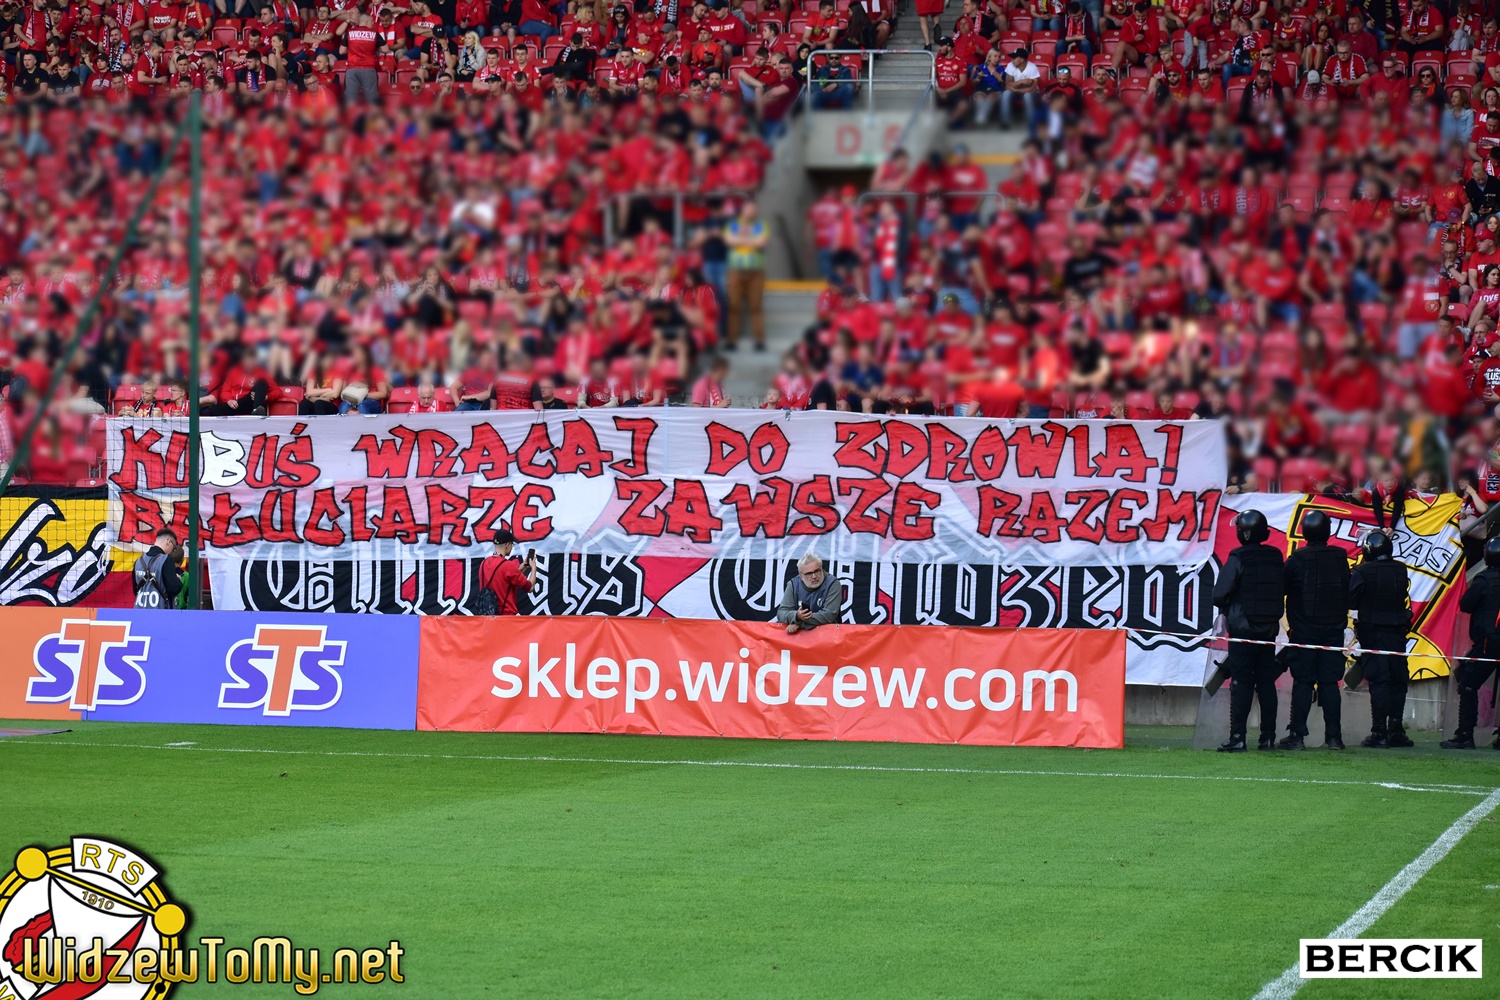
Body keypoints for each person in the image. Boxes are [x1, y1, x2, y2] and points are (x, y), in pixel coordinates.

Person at [1212, 509, 1285, 752]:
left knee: (1241, 682)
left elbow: (1219, 594)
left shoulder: (1238, 557)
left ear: (1243, 533)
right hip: (1268, 631)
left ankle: (1238, 737)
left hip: (1243, 631)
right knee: (1266, 682)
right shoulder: (1275, 556)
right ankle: (1268, 737)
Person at [1277, 510, 1350, 750]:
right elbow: (1348, 590)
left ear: (1305, 531)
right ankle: (1334, 738)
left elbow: (1281, 589)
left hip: (1304, 632)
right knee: (1329, 683)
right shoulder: (1340, 557)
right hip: (1333, 631)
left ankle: (1297, 736)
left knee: (1303, 682)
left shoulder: (1297, 559)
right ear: (1327, 531)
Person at [1349, 531, 1414, 748]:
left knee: (1379, 680)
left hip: (1373, 633)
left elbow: (1351, 600)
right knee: (1398, 679)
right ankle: (1396, 729)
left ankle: (1379, 731)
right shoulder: (1400, 569)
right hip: (1396, 633)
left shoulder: (1362, 572)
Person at [1443, 535, 1500, 750]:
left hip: (1488, 642)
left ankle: (1465, 734)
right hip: (1490, 641)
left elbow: (1466, 604)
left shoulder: (1484, 580)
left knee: (1467, 684)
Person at [776, 554, 845, 635]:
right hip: (798, 637)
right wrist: (797, 616)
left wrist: (799, 623)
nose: (814, 576)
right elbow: (781, 613)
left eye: (817, 571)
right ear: (801, 576)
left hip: (827, 636)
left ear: (821, 568)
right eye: (809, 574)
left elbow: (829, 615)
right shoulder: (793, 584)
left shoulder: (833, 584)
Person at [475, 528, 538, 616]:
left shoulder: (483, 563)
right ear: (507, 545)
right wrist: (534, 567)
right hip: (506, 618)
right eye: (512, 545)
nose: (512, 547)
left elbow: (503, 578)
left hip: (487, 617)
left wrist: (522, 567)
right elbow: (530, 587)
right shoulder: (508, 566)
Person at [133, 528, 184, 610]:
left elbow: (135, 590)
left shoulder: (138, 561)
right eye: (174, 548)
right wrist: (177, 580)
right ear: (168, 541)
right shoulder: (166, 560)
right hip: (160, 611)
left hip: (139, 609)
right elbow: (174, 588)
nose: (172, 551)